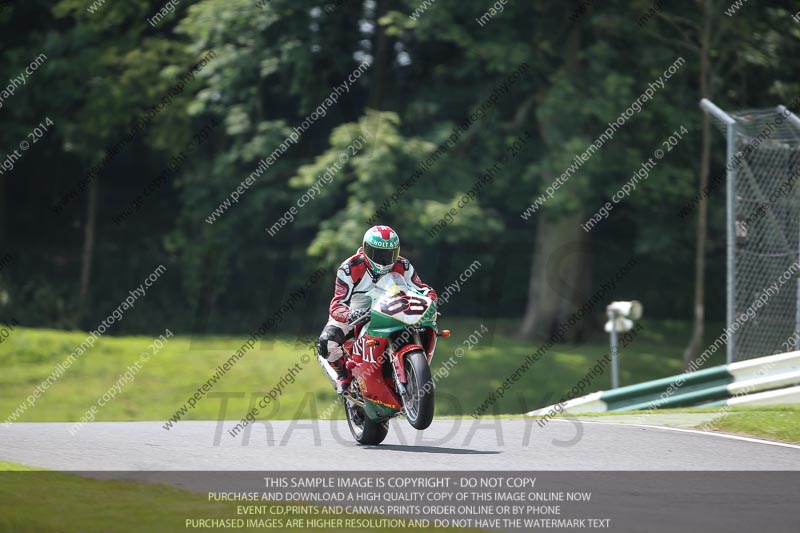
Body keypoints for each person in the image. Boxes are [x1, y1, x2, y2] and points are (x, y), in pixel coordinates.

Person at [317, 225, 437, 394]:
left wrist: (430, 301)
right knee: (326, 343)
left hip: (391, 309)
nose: (384, 260)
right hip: (356, 313)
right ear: (365, 249)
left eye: (390, 254)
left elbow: (422, 289)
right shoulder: (349, 268)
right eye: (378, 254)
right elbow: (337, 305)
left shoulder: (403, 265)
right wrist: (350, 315)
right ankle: (343, 375)